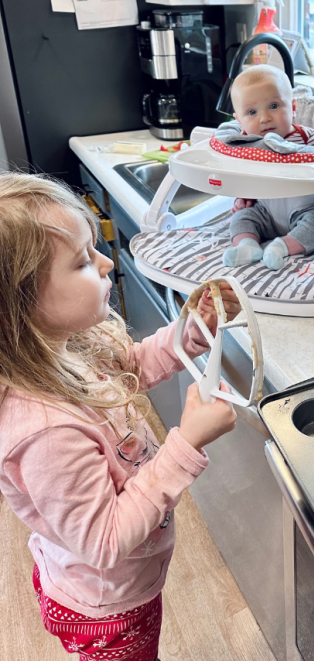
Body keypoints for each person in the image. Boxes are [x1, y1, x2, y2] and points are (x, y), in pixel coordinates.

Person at [0, 173, 239, 661]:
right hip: (106, 609)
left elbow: (130, 365)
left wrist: (187, 334)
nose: (108, 262)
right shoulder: (44, 433)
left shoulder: (68, 344)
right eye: (84, 260)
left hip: (115, 578)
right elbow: (105, 539)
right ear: (24, 303)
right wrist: (185, 445)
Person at [221, 64, 314, 271]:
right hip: (265, 210)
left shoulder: (306, 137)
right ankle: (248, 246)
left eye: (274, 106)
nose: (264, 118)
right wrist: (244, 196)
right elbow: (243, 175)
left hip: (306, 209)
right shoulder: (244, 144)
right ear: (239, 120)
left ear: (293, 108)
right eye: (251, 112)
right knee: (240, 216)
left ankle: (281, 247)